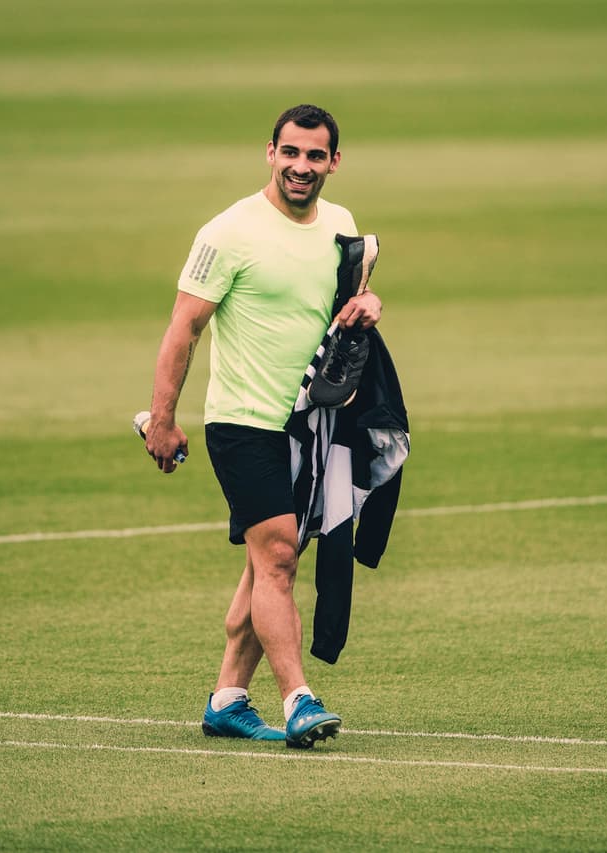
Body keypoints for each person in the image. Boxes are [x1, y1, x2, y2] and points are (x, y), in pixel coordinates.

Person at [143, 105, 382, 749]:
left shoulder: (341, 224)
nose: (300, 166)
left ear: (334, 161)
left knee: (265, 565)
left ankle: (227, 697)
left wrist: (367, 303)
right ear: (269, 153)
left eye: (315, 156)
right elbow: (182, 328)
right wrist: (163, 419)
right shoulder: (228, 232)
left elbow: (341, 304)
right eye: (290, 153)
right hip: (242, 422)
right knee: (277, 556)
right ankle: (298, 698)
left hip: (312, 424)